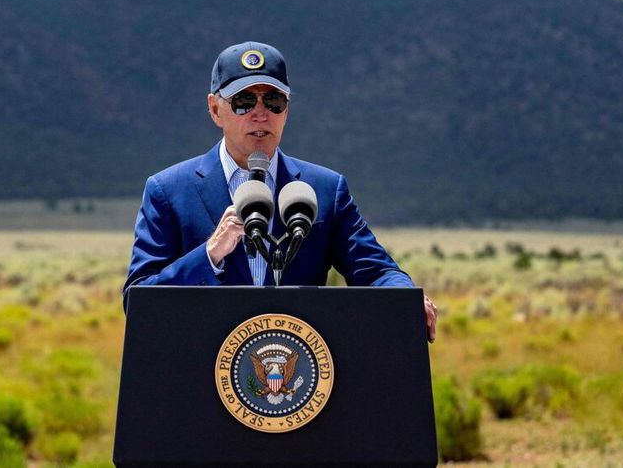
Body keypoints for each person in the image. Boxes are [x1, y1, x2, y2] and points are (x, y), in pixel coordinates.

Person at [124, 41, 438, 342]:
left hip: (300, 381)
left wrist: (406, 297)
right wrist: (210, 254)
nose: (260, 114)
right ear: (215, 109)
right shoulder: (168, 191)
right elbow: (138, 300)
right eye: (244, 101)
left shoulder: (325, 190)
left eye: (273, 101)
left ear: (286, 111)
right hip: (203, 380)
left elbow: (376, 271)